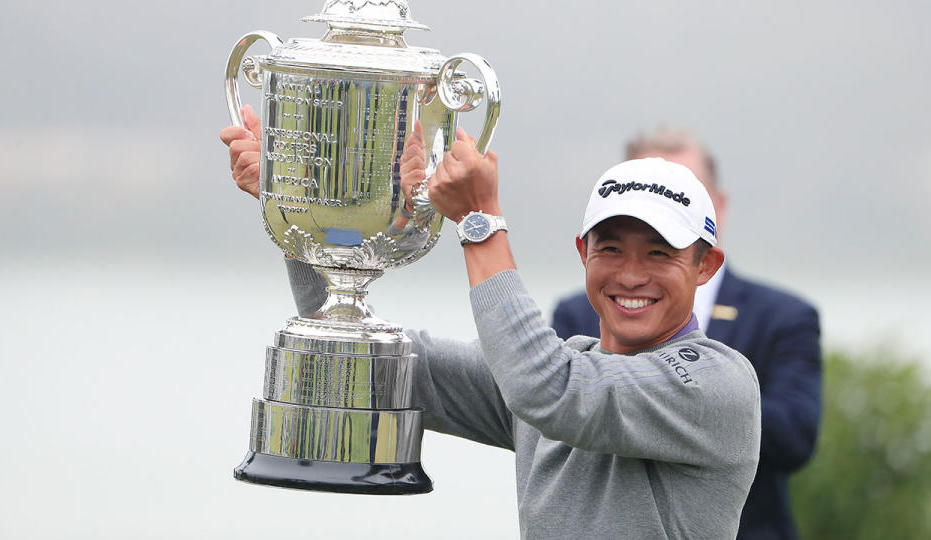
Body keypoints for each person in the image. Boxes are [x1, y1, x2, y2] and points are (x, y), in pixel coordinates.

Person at [221, 111, 761, 538]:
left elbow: (549, 388)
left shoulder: (718, 384)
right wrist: (296, 209)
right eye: (612, 248)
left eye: (661, 254)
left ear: (706, 266)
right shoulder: (561, 366)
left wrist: (480, 222)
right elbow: (359, 362)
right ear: (582, 254)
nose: (631, 274)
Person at [552, 127, 822, 540]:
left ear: (720, 206)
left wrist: (701, 404)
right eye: (642, 194)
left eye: (681, 192)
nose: (659, 207)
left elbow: (797, 435)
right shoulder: (577, 312)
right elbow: (551, 406)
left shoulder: (783, 315)